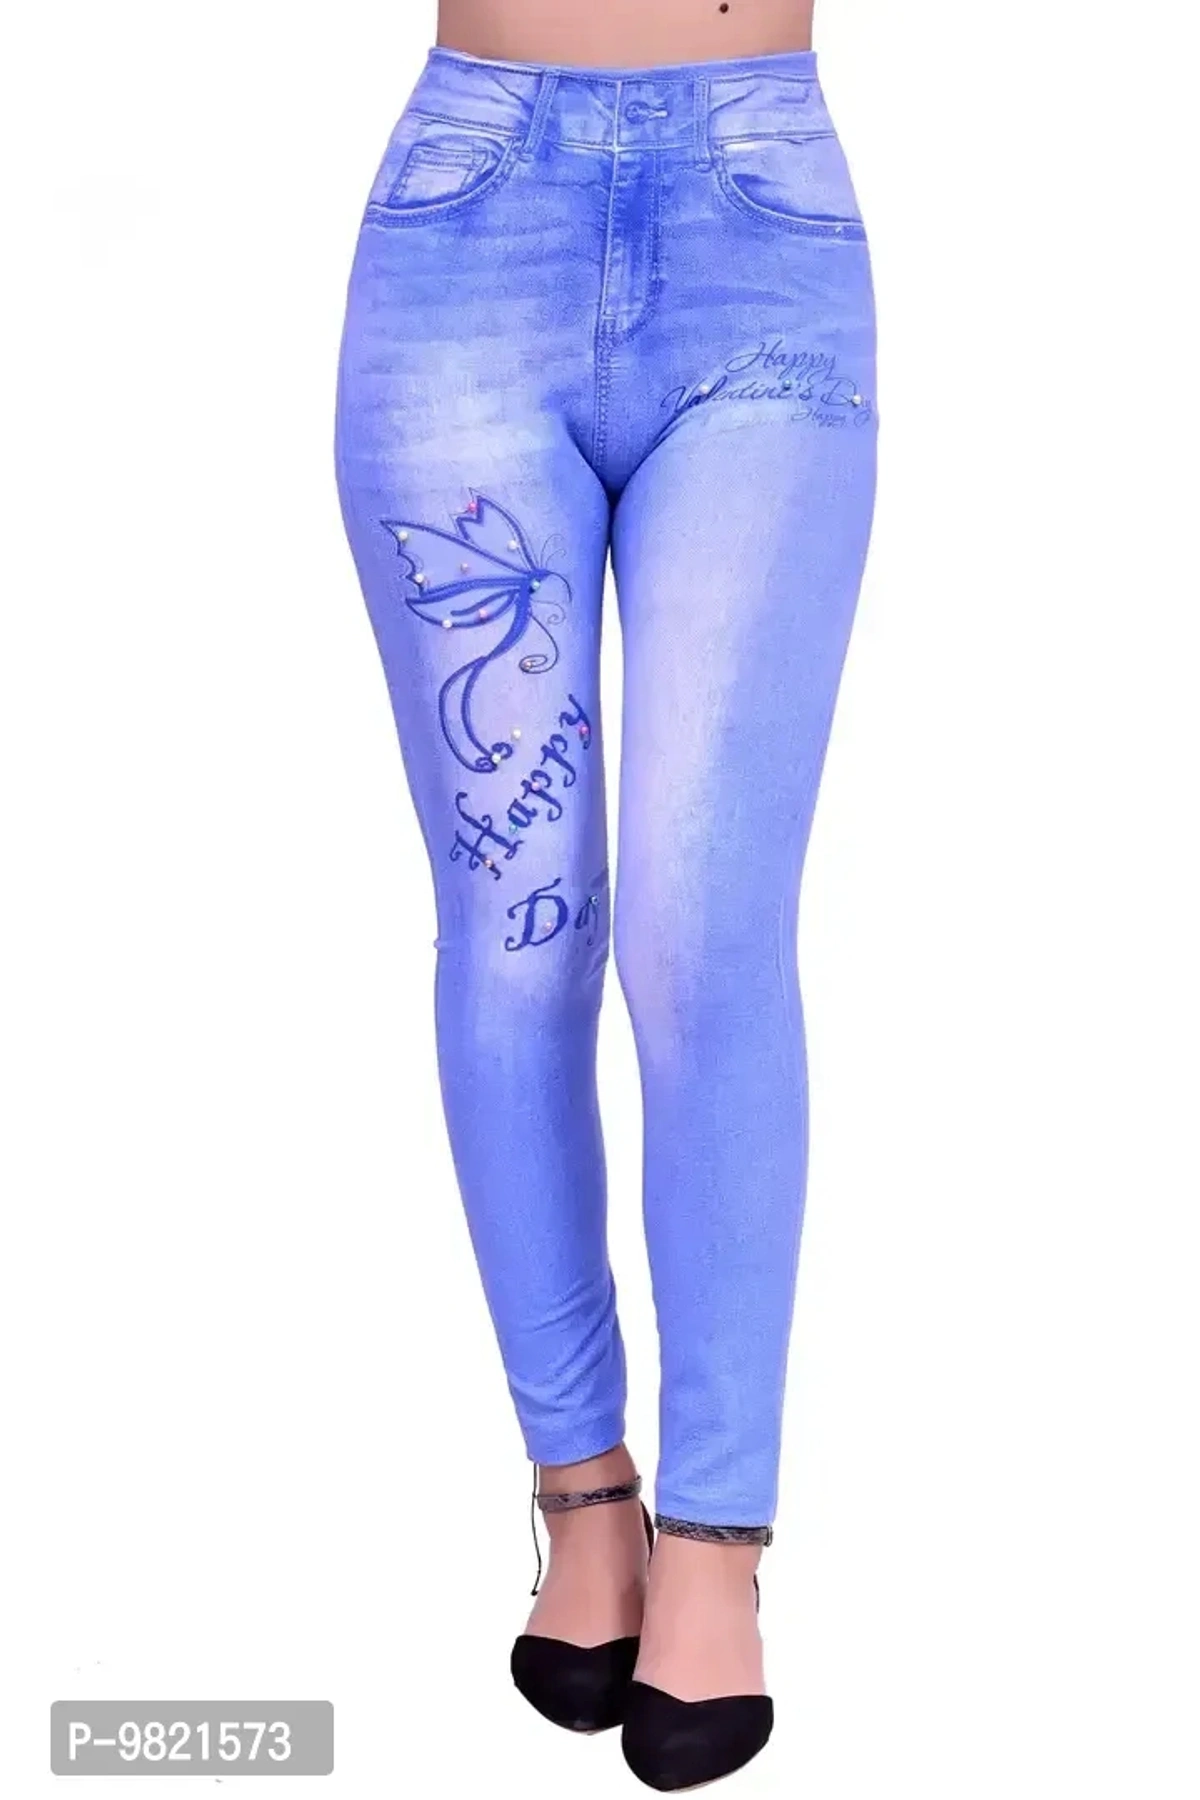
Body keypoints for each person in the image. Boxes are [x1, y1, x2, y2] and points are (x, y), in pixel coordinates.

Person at [335, 0, 874, 1784]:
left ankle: (716, 1535)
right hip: (465, 224)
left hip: (758, 214)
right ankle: (584, 1493)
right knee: (518, 931)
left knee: (701, 936)